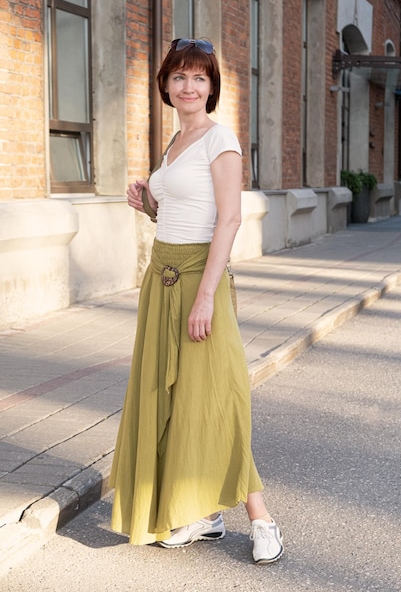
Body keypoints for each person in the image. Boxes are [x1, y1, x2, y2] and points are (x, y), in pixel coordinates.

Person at [109, 37, 284, 565]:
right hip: (159, 279)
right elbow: (182, 214)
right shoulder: (174, 143)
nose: (188, 86)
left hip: (197, 281)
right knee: (174, 402)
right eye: (179, 77)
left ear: (211, 87)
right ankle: (203, 516)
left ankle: (262, 520)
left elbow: (227, 220)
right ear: (165, 84)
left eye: (199, 78)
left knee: (217, 399)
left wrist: (206, 295)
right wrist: (149, 206)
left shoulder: (219, 140)